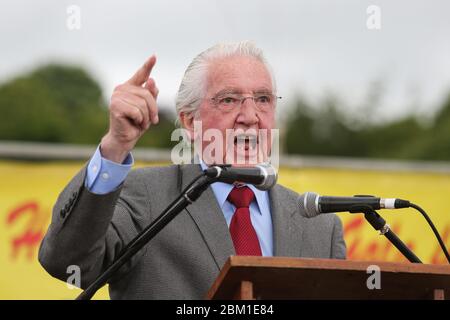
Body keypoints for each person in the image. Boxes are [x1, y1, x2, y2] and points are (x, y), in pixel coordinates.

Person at [39, 41, 346, 299]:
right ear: (189, 122)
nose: (250, 116)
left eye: (263, 99)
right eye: (229, 100)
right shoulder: (144, 197)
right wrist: (115, 146)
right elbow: (67, 264)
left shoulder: (321, 227)